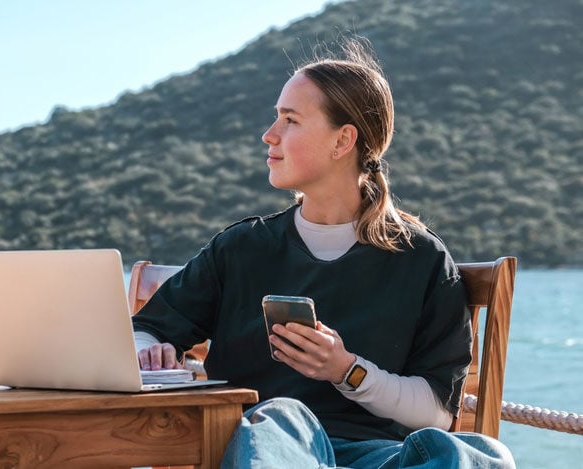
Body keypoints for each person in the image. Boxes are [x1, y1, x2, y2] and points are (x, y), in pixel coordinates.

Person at [132, 38, 515, 468]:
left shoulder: (421, 258)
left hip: (376, 457)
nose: (269, 135)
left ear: (342, 141)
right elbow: (141, 330)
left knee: (479, 454)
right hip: (272, 448)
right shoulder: (241, 249)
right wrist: (151, 350)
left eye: (290, 120)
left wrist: (345, 369)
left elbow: (438, 413)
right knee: (281, 415)